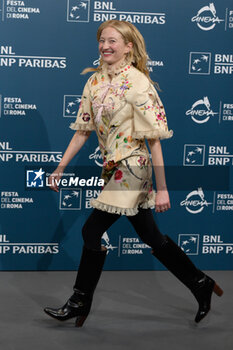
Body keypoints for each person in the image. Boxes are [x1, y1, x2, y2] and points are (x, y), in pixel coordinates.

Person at [44, 20, 223, 327]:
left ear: (128, 46)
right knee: (150, 235)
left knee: (91, 230)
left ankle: (79, 301)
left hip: (133, 167)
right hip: (112, 168)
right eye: (102, 41)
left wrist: (162, 188)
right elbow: (82, 132)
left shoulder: (139, 84)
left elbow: (154, 140)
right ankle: (200, 283)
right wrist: (60, 168)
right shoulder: (94, 83)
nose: (105, 46)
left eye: (112, 41)